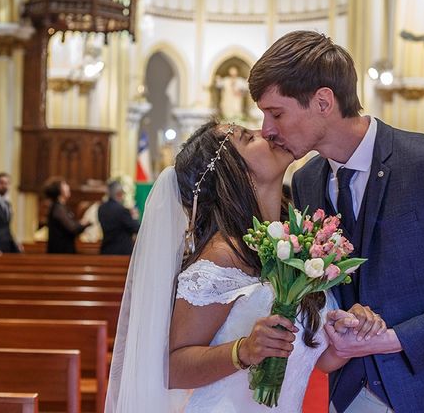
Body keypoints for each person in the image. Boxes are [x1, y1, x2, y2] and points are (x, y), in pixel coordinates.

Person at [248, 30, 424, 413]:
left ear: (322, 101)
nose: (267, 128)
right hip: (347, 396)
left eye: (276, 112)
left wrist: (396, 338)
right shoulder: (306, 180)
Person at [105, 120, 384, 413]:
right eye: (248, 138)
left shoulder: (296, 245)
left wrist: (345, 335)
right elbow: (172, 369)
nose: (266, 132)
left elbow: (312, 357)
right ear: (233, 173)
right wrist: (243, 350)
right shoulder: (222, 257)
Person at [43, 177, 91, 254]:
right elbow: (72, 228)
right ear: (59, 190)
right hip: (60, 253)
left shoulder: (60, 207)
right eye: (64, 185)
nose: (68, 187)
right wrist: (83, 223)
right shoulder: (58, 208)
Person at [98, 180, 140, 255]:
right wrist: (135, 217)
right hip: (121, 253)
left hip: (106, 251)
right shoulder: (122, 210)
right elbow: (136, 228)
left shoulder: (101, 209)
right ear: (119, 194)